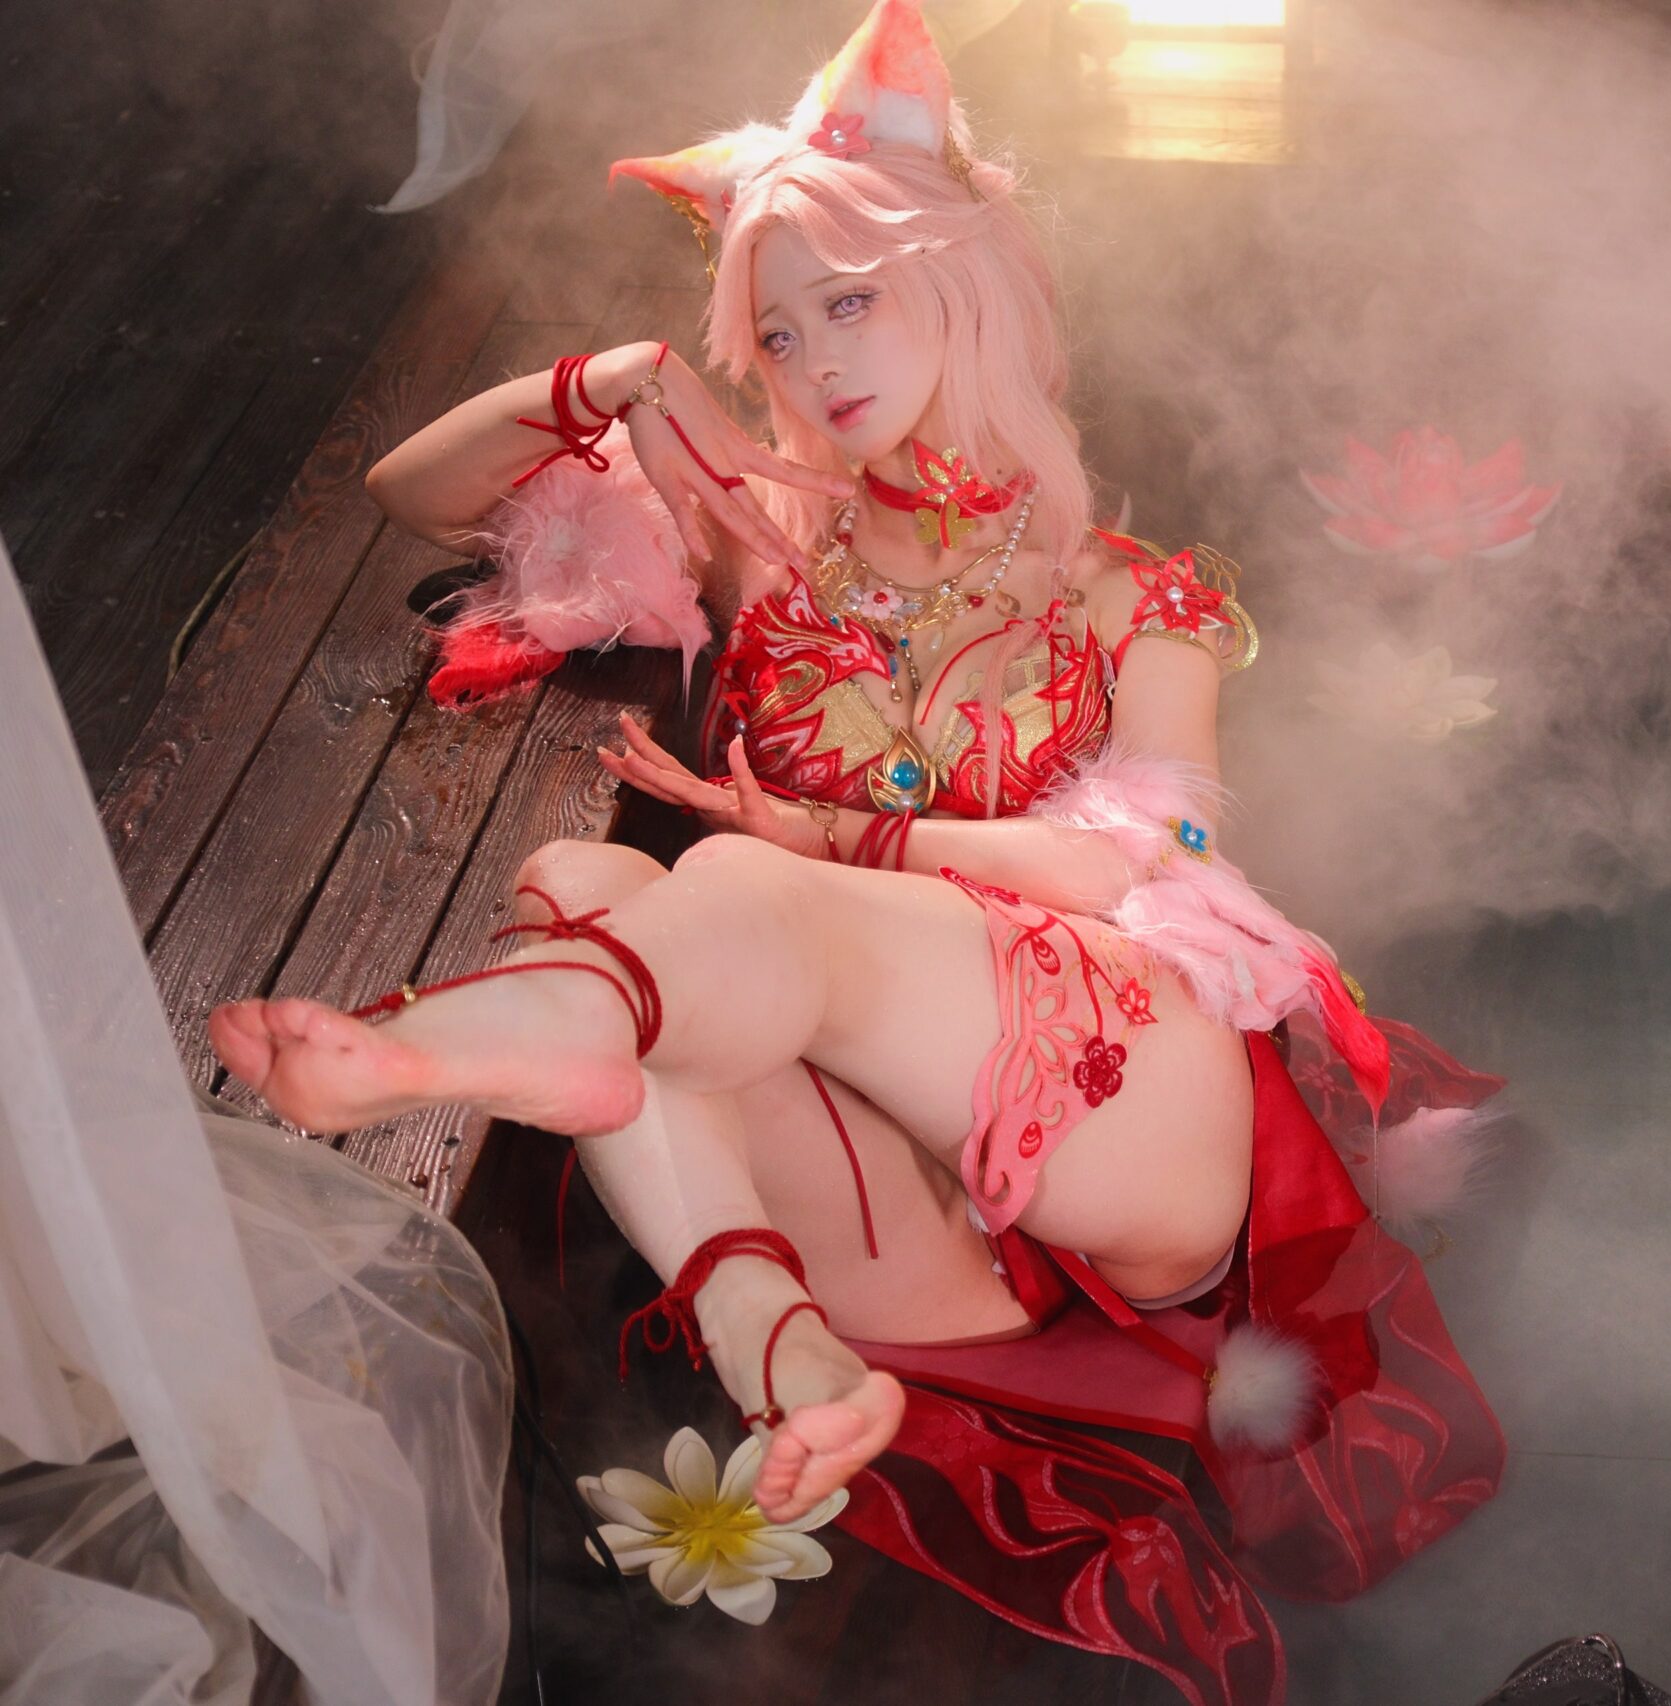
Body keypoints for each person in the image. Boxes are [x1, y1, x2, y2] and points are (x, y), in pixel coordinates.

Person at [211, 4, 1501, 1695]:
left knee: (728, 889)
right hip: (917, 1233)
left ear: (966, 280)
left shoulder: (1130, 593)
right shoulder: (765, 540)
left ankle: (486, 1032)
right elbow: (413, 490)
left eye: (854, 298)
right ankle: (786, 1345)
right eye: (777, 325)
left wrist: (839, 831)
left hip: (1132, 1122)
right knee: (583, 885)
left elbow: (1147, 861)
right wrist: (619, 380)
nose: (817, 359)